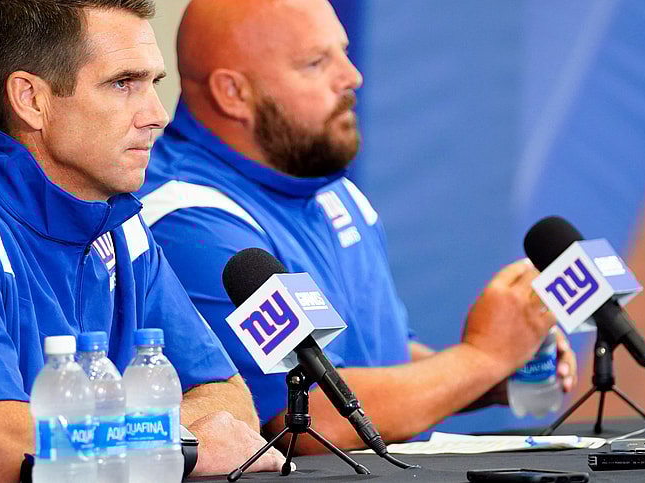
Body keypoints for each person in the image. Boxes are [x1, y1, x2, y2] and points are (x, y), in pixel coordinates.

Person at [0, 1, 285, 480]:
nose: (156, 115)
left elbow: (229, 405)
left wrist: (110, 439)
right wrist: (178, 446)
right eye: (123, 83)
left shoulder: (121, 228)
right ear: (31, 100)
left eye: (154, 84)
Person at [136, 0, 578, 454]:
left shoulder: (330, 190)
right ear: (234, 93)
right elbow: (308, 420)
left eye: (343, 51)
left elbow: (384, 364)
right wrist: (483, 356)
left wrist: (493, 373)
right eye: (315, 63)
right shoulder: (191, 221)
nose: (351, 76)